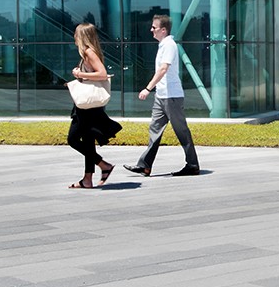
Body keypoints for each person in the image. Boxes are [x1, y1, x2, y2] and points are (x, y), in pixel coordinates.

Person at [125, 13, 201, 177]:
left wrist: (148, 88)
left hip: (172, 96)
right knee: (155, 129)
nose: (151, 30)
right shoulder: (162, 45)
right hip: (161, 96)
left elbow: (163, 69)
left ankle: (193, 165)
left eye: (154, 27)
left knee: (181, 131)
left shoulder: (170, 45)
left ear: (163, 30)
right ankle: (144, 166)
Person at [66, 22, 121, 188]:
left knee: (73, 139)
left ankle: (104, 165)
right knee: (88, 139)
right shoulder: (87, 53)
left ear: (82, 36)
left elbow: (102, 74)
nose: (74, 36)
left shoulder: (89, 52)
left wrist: (79, 74)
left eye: (76, 33)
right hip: (88, 105)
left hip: (87, 106)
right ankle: (87, 179)